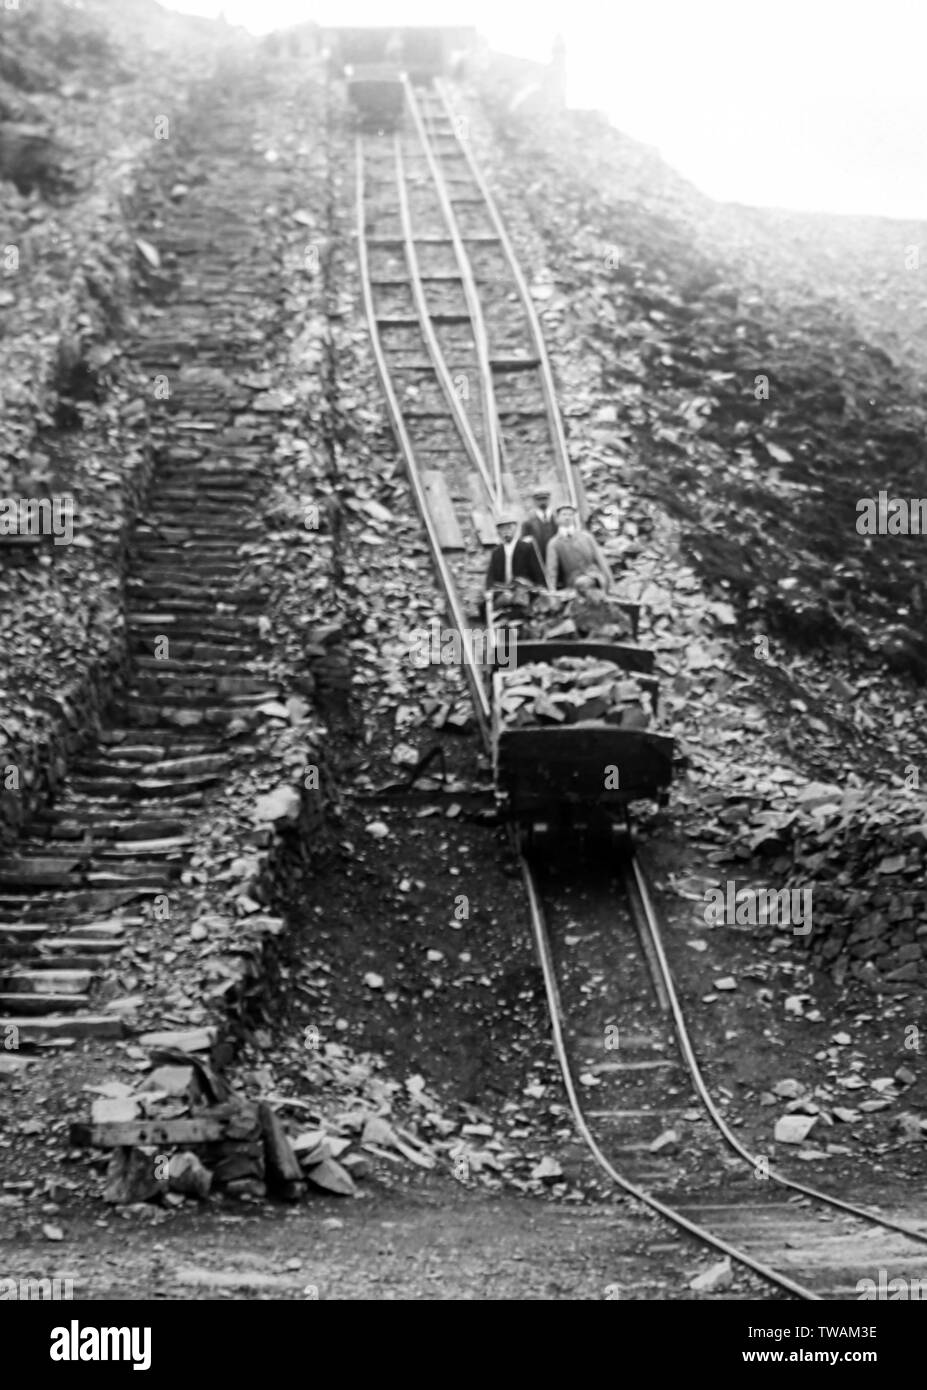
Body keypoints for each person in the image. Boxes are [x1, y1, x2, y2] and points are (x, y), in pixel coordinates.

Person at [545, 503, 613, 592]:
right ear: (557, 518)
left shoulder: (586, 537)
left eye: (570, 514)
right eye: (564, 514)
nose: (567, 517)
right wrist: (552, 591)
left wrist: (610, 581)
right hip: (574, 583)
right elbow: (551, 570)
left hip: (596, 578)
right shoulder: (554, 543)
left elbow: (601, 560)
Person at [485, 515, 546, 591]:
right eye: (502, 529)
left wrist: (539, 588)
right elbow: (490, 577)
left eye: (509, 527)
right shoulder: (497, 552)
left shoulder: (526, 548)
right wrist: (489, 591)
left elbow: (538, 573)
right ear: (498, 532)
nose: (506, 531)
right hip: (503, 592)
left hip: (524, 592)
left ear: (515, 528)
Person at [521, 487, 558, 558]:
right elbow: (524, 544)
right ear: (534, 501)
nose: (542, 502)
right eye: (539, 499)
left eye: (545, 499)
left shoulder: (557, 517)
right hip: (539, 558)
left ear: (549, 500)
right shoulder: (528, 522)